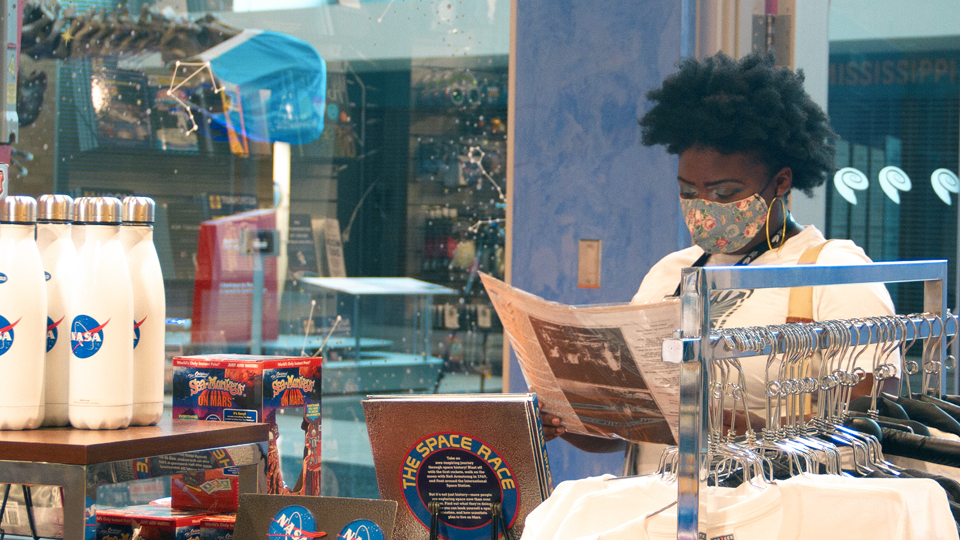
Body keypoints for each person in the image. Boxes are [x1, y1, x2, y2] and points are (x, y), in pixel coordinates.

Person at [541, 51, 898, 470]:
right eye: (689, 192)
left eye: (724, 193)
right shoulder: (669, 274)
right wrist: (574, 419)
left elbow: (869, 433)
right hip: (654, 513)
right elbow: (631, 436)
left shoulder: (834, 273)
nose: (704, 207)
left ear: (781, 182)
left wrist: (718, 424)